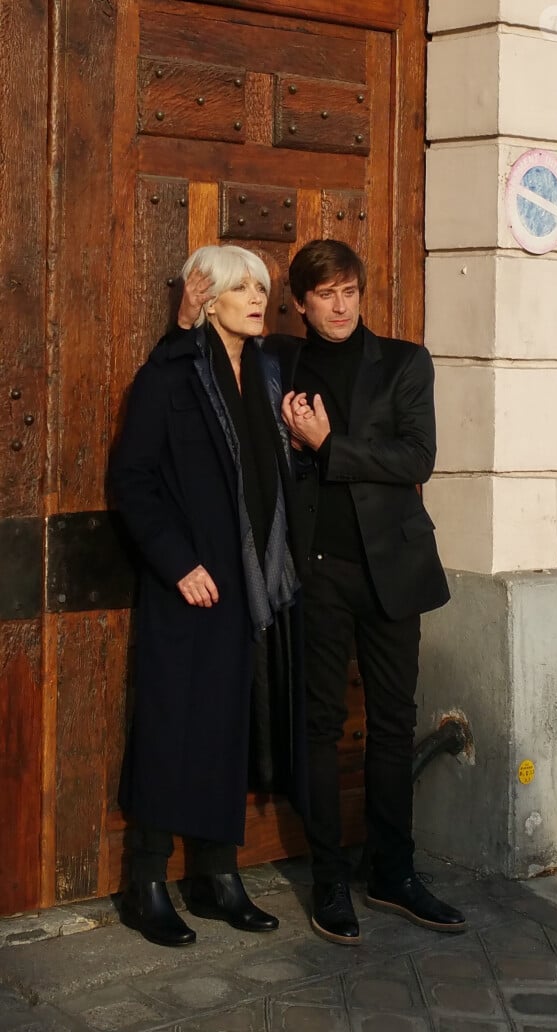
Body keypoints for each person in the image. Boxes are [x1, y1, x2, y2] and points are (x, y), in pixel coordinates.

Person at [110, 244, 306, 948]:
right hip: (191, 584)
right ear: (208, 298)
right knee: (171, 725)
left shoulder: (268, 369)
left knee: (228, 726)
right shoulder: (170, 375)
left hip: (249, 584)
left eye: (261, 286)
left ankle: (217, 876)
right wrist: (178, 563)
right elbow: (132, 483)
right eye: (241, 287)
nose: (258, 297)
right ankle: (146, 883)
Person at [273, 239, 466, 943]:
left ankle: (393, 871)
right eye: (325, 294)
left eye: (350, 291)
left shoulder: (405, 362)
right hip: (319, 570)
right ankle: (329, 881)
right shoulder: (279, 363)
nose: (341, 306)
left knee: (391, 722)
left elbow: (418, 457)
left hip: (394, 568)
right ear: (300, 301)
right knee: (320, 727)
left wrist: (328, 448)